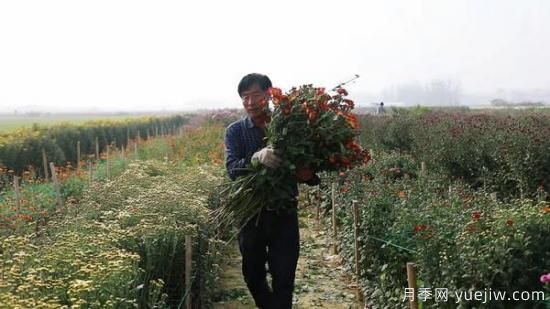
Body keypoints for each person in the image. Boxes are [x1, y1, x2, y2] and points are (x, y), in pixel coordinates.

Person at [224, 73, 319, 308]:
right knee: (253, 274)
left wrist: (308, 175)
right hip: (250, 215)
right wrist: (257, 158)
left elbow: (311, 169)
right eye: (244, 97)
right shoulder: (235, 131)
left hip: (284, 210)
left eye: (255, 95)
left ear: (269, 94)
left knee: (284, 276)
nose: (250, 102)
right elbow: (232, 169)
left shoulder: (291, 128)